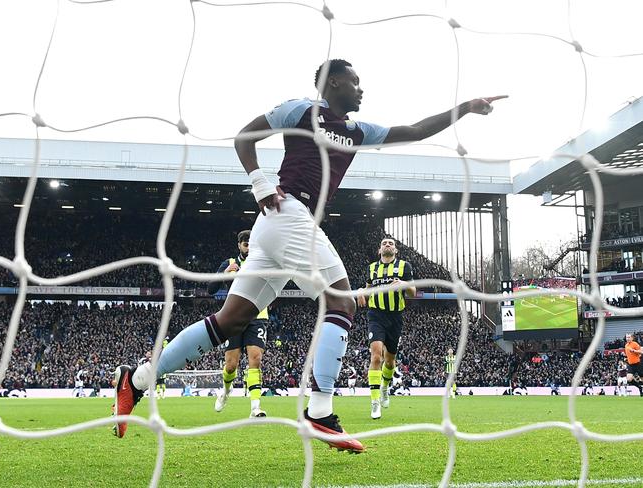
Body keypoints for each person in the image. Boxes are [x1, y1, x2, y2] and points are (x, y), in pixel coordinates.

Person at [112, 59, 506, 452]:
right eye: (355, 82)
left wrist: (466, 108)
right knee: (341, 301)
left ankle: (138, 379)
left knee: (230, 320)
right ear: (333, 82)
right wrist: (259, 182)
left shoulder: (357, 131)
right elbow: (244, 137)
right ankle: (319, 412)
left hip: (277, 229)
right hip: (287, 214)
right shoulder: (298, 110)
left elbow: (416, 131)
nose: (361, 89)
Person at [208, 230, 269, 418]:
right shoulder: (230, 264)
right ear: (239, 245)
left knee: (255, 358)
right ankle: (226, 391)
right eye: (245, 243)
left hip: (257, 315)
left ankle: (255, 407)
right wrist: (225, 274)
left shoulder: (263, 262)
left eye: (251, 243)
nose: (248, 247)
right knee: (231, 365)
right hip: (234, 317)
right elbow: (211, 289)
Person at [358, 236, 416, 419]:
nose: (387, 245)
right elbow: (367, 288)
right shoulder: (372, 268)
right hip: (376, 314)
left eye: (391, 243)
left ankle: (385, 387)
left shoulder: (404, 266)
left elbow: (413, 292)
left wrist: (404, 284)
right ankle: (375, 402)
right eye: (384, 243)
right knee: (376, 355)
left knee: (390, 361)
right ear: (379, 250)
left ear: (396, 250)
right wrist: (361, 292)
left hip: (395, 316)